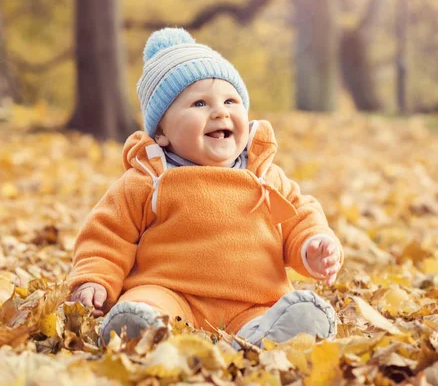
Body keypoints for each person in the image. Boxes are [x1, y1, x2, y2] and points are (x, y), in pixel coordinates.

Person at [68, 27, 343, 347]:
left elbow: (300, 219)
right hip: (170, 293)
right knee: (144, 306)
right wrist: (94, 280)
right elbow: (108, 235)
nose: (220, 111)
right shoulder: (148, 180)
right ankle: (144, 330)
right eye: (199, 103)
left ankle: (271, 334)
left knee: (288, 316)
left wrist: (313, 245)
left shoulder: (265, 177)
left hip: (253, 302)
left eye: (230, 100)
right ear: (161, 134)